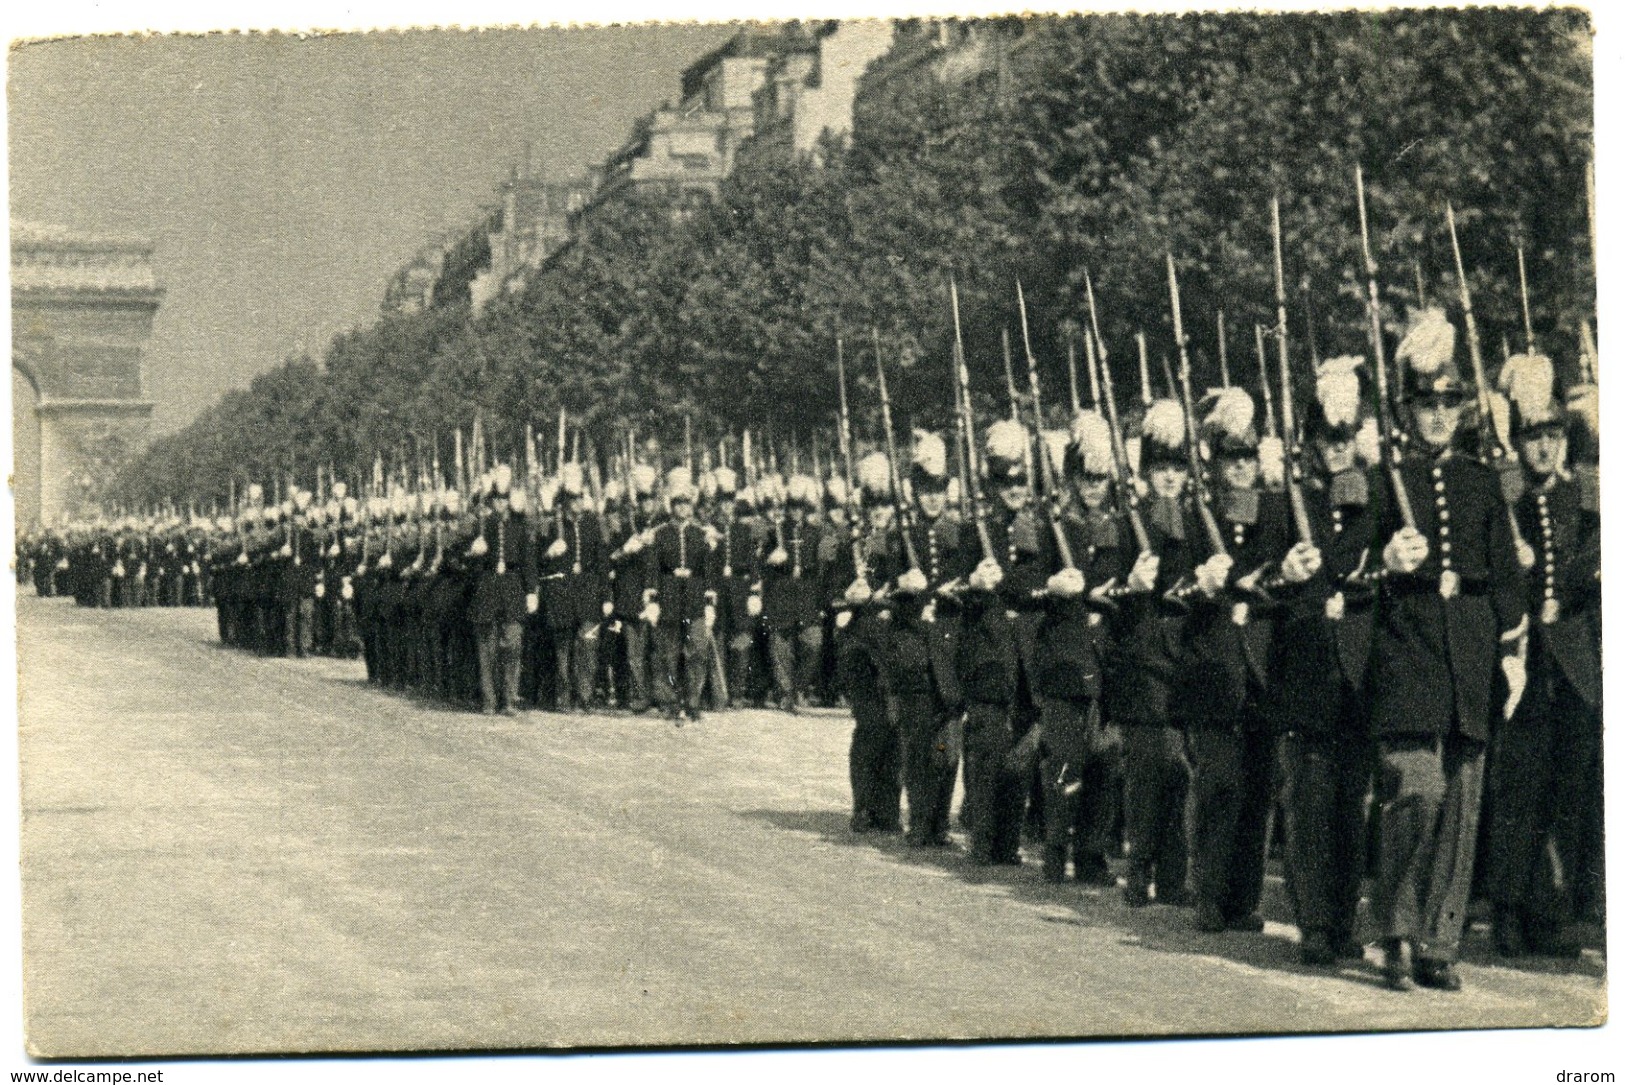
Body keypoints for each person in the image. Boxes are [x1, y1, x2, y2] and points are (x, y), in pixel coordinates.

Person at [1370, 308, 1527, 992]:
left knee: (1463, 800)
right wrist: (1383, 554)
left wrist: (1511, 646)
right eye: (1425, 402)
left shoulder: (1480, 479)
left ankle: (1437, 941)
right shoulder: (1381, 476)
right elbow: (1342, 563)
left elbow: (1507, 574)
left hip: (1469, 645)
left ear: (1463, 408)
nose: (1437, 414)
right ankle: (1393, 927)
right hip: (1406, 647)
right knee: (1418, 788)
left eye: (1448, 402)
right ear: (1405, 407)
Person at [1485, 351, 1602, 958]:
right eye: (1535, 437)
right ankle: (1506, 908)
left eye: (1554, 435)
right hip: (1524, 657)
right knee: (1519, 788)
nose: (1546, 449)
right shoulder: (1505, 490)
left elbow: (1596, 560)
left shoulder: (1584, 493)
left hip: (1575, 661)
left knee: (1568, 787)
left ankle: (1548, 910)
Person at [1264, 356, 1378, 966]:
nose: (1337, 448)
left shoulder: (1374, 499)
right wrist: (1282, 572)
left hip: (1358, 669)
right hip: (1305, 666)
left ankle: (1341, 917)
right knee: (1310, 801)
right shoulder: (1287, 503)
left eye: (1345, 435)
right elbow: (1252, 580)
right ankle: (1313, 922)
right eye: (1326, 437)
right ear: (1309, 441)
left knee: (1350, 805)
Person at [1178, 387, 1290, 935]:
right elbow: (1171, 585)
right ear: (1215, 461)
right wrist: (1200, 582)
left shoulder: (1277, 509)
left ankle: (1243, 897)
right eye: (1231, 458)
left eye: (1248, 457)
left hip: (1264, 664)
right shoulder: (1196, 516)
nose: (1241, 468)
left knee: (1258, 785)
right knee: (1219, 781)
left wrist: (1254, 580)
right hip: (1214, 664)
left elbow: (1290, 572)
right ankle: (1209, 891)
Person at [1032, 411, 1123, 885]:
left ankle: (1091, 853)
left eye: (1100, 478)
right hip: (1065, 660)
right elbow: (1028, 585)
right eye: (1085, 478)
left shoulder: (1119, 526)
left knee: (1104, 763)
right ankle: (1055, 848)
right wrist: (1054, 586)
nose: (1093, 487)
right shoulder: (1053, 526)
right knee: (1065, 761)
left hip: (1104, 658)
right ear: (1071, 477)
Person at [1111, 399, 1193, 909]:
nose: (1169, 477)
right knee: (1149, 770)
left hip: (1184, 658)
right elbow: (1108, 596)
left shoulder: (1195, 521)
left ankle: (1173, 875)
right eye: (1160, 467)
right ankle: (1139, 868)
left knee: (1180, 770)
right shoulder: (1128, 524)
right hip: (1142, 657)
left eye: (1177, 467)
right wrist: (1131, 585)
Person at [464, 466, 538, 715]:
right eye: (497, 499)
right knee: (487, 648)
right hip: (487, 585)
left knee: (513, 644)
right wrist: (475, 552)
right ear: (491, 500)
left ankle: (509, 698)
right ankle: (489, 700)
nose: (500, 504)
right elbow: (464, 557)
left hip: (513, 587)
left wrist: (531, 591)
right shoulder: (481, 525)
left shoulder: (520, 526)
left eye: (504, 499)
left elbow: (529, 559)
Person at [645, 467, 717, 723]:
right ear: (671, 506)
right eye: (678, 504)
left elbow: (708, 570)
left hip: (695, 598)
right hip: (669, 596)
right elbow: (653, 567)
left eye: (686, 504)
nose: (683, 509)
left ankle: (693, 700)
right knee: (669, 654)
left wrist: (709, 602)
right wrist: (652, 600)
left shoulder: (701, 534)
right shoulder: (661, 533)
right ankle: (671, 702)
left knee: (697, 651)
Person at [761, 474, 826, 712]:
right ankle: (786, 692)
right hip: (781, 592)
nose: (796, 512)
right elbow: (761, 565)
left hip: (807, 593)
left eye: (800, 507)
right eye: (792, 507)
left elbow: (822, 566)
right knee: (780, 646)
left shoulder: (815, 533)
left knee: (813, 642)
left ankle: (800, 687)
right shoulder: (775, 532)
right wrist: (771, 559)